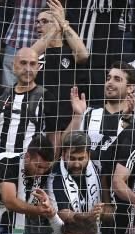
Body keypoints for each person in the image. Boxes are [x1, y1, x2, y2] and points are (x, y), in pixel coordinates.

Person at [30, 0, 90, 137]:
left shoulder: (70, 51)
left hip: (65, 121)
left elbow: (83, 55)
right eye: (37, 22)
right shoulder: (36, 52)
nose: (39, 25)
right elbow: (29, 58)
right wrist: (53, 30)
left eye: (45, 21)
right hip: (38, 120)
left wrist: (63, 24)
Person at [0, 134, 55, 233]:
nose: (42, 172)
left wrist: (45, 207)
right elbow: (10, 202)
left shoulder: (44, 169)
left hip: (7, 208)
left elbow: (32, 201)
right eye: (38, 166)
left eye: (45, 168)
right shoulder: (6, 163)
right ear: (27, 156)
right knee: (11, 221)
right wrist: (38, 210)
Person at [0, 46, 58, 155]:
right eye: (23, 63)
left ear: (38, 67)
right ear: (13, 66)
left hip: (29, 167)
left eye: (32, 64)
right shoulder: (1, 93)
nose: (28, 69)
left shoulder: (47, 97)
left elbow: (54, 136)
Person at [45, 131, 108, 224]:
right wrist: (88, 216)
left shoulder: (99, 167)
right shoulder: (54, 175)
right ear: (63, 155)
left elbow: (110, 209)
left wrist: (102, 213)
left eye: (81, 159)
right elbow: (61, 214)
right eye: (72, 158)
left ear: (89, 155)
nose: (77, 164)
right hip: (65, 232)